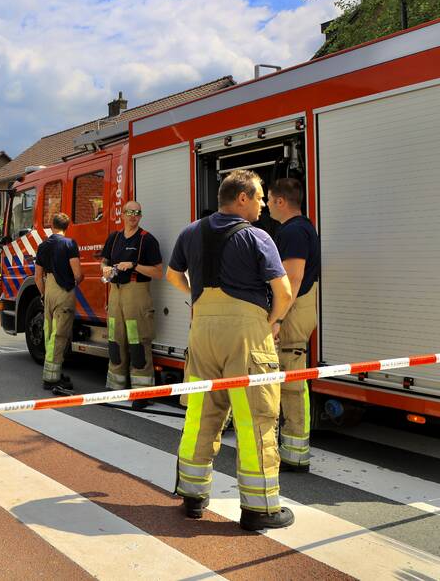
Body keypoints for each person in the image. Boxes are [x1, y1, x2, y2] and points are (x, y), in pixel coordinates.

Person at [166, 169, 294, 531]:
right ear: (242, 198)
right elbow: (284, 293)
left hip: (202, 333)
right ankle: (259, 508)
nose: (263, 205)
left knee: (201, 414)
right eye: (260, 197)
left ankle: (192, 496)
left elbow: (173, 276)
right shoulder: (257, 236)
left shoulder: (191, 232)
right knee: (255, 418)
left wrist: (199, 300)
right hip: (245, 335)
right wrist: (270, 321)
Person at [268, 178, 321, 473]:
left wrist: (277, 317)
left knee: (291, 383)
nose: (266, 205)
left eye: (269, 200)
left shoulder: (293, 231)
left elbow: (293, 278)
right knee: (291, 381)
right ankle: (292, 449)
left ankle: (295, 454)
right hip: (298, 308)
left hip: (293, 311)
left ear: (280, 201)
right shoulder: (301, 228)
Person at [100, 201, 163, 408]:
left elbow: (158, 272)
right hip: (115, 292)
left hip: (137, 293)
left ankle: (142, 393)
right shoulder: (114, 238)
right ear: (123, 215)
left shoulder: (147, 240)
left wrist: (134, 265)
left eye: (137, 213)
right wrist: (104, 269)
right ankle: (115, 387)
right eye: (129, 212)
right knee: (114, 339)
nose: (133, 216)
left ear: (140, 216)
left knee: (137, 342)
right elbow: (104, 261)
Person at [35, 212, 83, 394]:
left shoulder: (42, 246)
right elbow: (77, 274)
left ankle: (52, 373)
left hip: (49, 291)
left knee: (49, 333)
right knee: (60, 335)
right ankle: (52, 379)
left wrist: (43, 294)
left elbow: (37, 277)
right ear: (67, 226)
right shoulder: (69, 244)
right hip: (64, 292)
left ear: (51, 225)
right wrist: (79, 280)